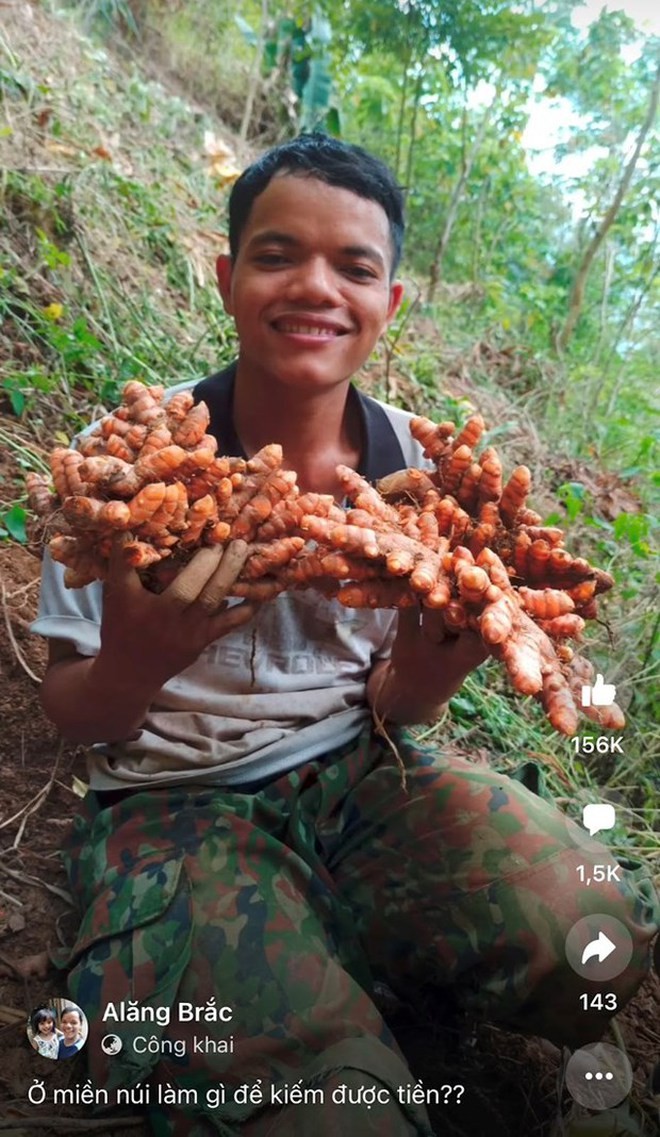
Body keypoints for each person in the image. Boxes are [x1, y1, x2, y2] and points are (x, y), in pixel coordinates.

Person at [32, 135, 658, 1136]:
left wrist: (426, 673)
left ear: (390, 304)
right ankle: (309, 996)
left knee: (596, 929)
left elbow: (396, 710)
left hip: (362, 773)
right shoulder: (134, 464)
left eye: (355, 267)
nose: (315, 288)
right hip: (174, 805)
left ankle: (477, 1010)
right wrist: (141, 663)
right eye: (279, 256)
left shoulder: (423, 471)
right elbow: (74, 713)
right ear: (228, 275)